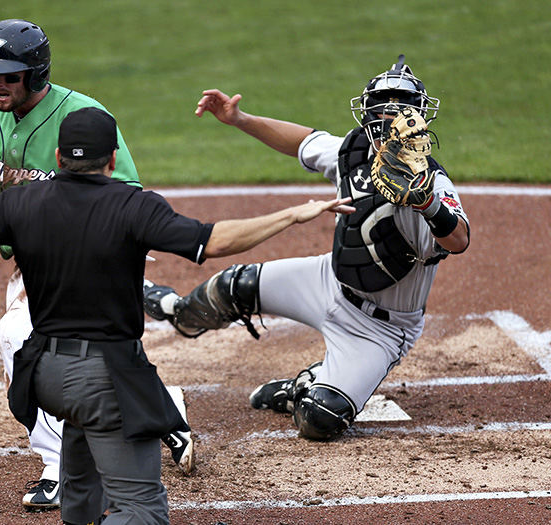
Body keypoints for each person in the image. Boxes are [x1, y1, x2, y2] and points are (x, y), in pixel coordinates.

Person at [0, 107, 353, 524]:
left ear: (60, 156)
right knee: (142, 511)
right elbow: (212, 241)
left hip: (48, 378)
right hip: (107, 378)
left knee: (81, 497)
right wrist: (293, 213)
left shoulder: (22, 205)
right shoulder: (134, 206)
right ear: (111, 162)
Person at [0, 19, 192, 507]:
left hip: (88, 255)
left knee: (21, 336)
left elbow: (123, 192)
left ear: (36, 73)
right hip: (28, 262)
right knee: (80, 351)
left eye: (9, 75)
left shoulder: (82, 115)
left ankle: (58, 466)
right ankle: (164, 407)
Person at [143, 55, 470, 441]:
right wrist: (240, 119)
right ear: (368, 115)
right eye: (382, 111)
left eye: (398, 112)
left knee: (320, 419)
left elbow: (459, 239)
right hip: (328, 281)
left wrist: (426, 202)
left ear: (418, 118)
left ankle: (302, 388)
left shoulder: (432, 183)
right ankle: (175, 308)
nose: (389, 120)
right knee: (232, 288)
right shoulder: (352, 154)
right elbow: (303, 141)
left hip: (381, 329)